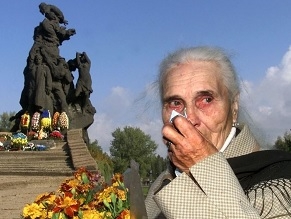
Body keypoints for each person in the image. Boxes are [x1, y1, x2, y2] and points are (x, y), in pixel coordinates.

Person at [145, 46, 291, 218]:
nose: (189, 119)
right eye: (176, 103)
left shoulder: (279, 182)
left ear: (234, 106)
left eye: (206, 100)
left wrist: (204, 169)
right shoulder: (162, 182)